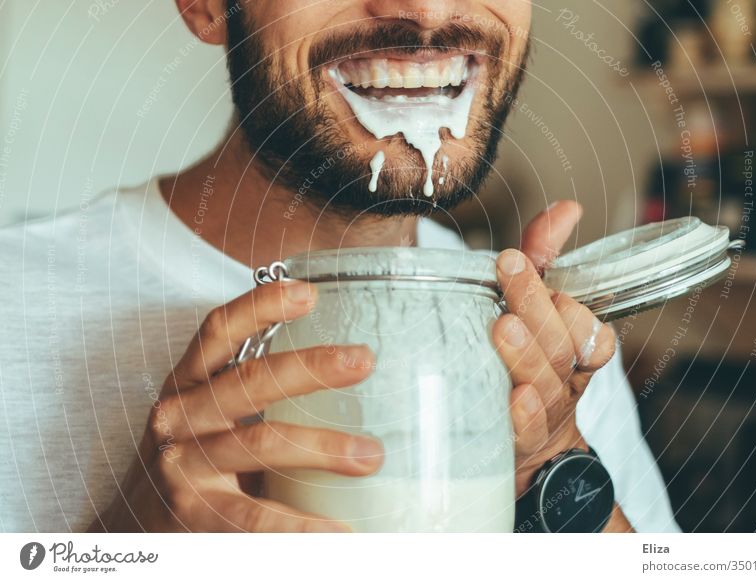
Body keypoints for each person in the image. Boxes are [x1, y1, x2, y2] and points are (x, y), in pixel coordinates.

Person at [0, 0, 679, 533]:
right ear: (206, 3)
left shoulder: (541, 344)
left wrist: (551, 474)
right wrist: (123, 549)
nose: (428, 12)